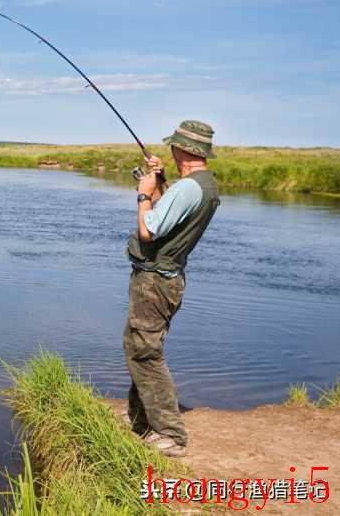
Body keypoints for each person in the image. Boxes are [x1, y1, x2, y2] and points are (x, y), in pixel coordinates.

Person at [124, 120, 220, 458]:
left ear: (185, 149)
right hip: (164, 279)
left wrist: (143, 191)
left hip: (155, 282)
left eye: (173, 145)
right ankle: (141, 419)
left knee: (146, 352)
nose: (170, 149)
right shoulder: (201, 185)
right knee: (138, 345)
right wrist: (161, 181)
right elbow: (170, 214)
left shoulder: (189, 188)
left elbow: (151, 228)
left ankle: (171, 434)